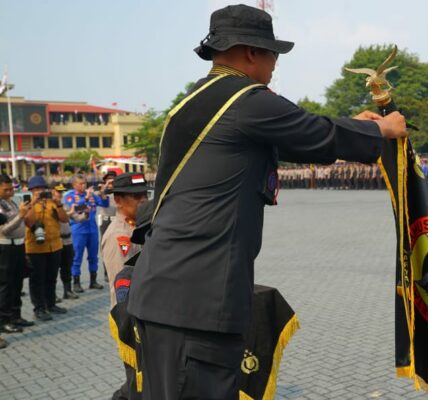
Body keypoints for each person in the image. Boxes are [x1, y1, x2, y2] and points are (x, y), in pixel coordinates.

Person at [127, 5, 407, 400]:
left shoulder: (198, 99)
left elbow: (297, 132)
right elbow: (315, 132)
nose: (276, 64)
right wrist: (382, 128)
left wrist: (361, 127)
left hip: (170, 293)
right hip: (196, 302)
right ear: (251, 52)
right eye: (273, 53)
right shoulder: (246, 99)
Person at [101, 173, 148, 400]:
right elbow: (123, 287)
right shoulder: (119, 236)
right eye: (136, 196)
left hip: (144, 311)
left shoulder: (138, 226)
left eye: (145, 195)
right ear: (118, 200)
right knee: (136, 381)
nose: (142, 200)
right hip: (130, 316)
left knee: (143, 378)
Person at [24, 175, 70, 321]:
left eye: (42, 188)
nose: (40, 191)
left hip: (54, 246)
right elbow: (29, 223)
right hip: (35, 248)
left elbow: (64, 219)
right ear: (31, 190)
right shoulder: (28, 204)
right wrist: (33, 203)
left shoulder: (52, 203)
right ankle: (39, 308)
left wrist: (59, 204)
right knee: (37, 279)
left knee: (51, 277)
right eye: (36, 189)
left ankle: (50, 304)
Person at [63, 174, 109, 292]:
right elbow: (74, 210)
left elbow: (105, 204)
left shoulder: (91, 195)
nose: (84, 186)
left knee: (93, 256)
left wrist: (103, 193)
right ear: (74, 185)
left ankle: (93, 281)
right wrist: (86, 199)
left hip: (92, 229)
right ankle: (76, 282)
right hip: (78, 229)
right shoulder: (69, 196)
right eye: (81, 183)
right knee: (77, 257)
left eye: (85, 183)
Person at [0, 173, 33, 333]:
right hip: (6, 248)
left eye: (11, 188)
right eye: (5, 189)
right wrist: (20, 215)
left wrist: (25, 214)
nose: (10, 192)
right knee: (5, 285)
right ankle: (4, 320)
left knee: (17, 283)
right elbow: (5, 230)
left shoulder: (12, 202)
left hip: (19, 246)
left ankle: (16, 315)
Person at [51, 183, 79, 300]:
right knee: (53, 269)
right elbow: (62, 217)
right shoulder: (49, 206)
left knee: (67, 267)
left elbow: (74, 218)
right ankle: (52, 294)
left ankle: (67, 291)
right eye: (58, 191)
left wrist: (84, 215)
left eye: (62, 192)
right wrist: (70, 212)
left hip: (67, 240)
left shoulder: (63, 205)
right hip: (57, 240)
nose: (60, 194)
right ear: (52, 191)